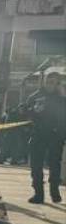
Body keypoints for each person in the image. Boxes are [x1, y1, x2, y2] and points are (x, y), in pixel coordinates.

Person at [23, 71, 66, 204]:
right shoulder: (36, 95)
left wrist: (63, 95)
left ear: (58, 84)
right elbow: (26, 112)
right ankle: (38, 193)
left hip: (56, 136)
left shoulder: (61, 98)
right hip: (38, 134)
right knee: (36, 165)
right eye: (48, 81)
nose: (50, 85)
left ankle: (54, 191)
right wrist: (30, 111)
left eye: (54, 82)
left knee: (54, 164)